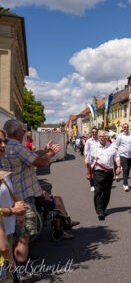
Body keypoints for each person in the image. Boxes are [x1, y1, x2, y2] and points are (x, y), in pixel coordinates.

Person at [0, 119, 61, 280]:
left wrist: (43, 150)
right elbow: (40, 163)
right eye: (22, 130)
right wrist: (50, 154)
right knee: (24, 235)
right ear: (16, 132)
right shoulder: (17, 146)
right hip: (23, 197)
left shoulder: (7, 146)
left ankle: (16, 266)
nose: (24, 132)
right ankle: (22, 273)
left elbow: (30, 157)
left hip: (10, 195)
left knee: (14, 234)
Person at [0, 129, 27, 281]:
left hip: (7, 231)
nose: (4, 145)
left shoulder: (1, 166)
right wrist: (13, 210)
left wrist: (18, 209)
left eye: (5, 141)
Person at [86, 130, 121, 220]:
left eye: (103, 136)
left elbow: (116, 157)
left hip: (109, 172)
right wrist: (88, 172)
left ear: (106, 137)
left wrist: (118, 167)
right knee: (98, 191)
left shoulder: (112, 146)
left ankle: (103, 208)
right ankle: (99, 211)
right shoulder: (94, 147)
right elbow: (88, 161)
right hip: (98, 172)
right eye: (100, 136)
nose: (101, 138)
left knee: (107, 192)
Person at [115, 123, 131, 191]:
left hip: (130, 156)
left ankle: (125, 181)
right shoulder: (120, 136)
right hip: (122, 155)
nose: (126, 128)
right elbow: (116, 146)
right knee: (126, 169)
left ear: (128, 128)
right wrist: (117, 156)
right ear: (122, 128)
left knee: (128, 170)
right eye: (124, 127)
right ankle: (125, 184)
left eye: (127, 127)